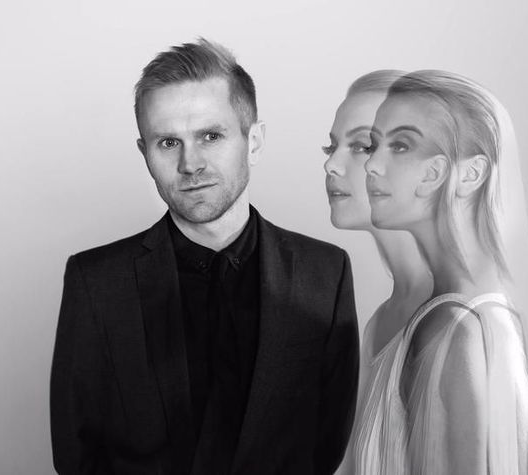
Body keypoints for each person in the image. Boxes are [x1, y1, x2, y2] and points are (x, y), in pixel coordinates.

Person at [49, 38, 360, 474]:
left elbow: (326, 445)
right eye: (167, 142)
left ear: (254, 141)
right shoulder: (95, 281)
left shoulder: (325, 273)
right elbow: (76, 454)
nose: (190, 164)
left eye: (211, 136)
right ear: (144, 153)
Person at [351, 70, 528, 474]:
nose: (371, 164)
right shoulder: (454, 318)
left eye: (401, 145)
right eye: (374, 144)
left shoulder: (461, 330)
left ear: (471, 174)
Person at [321, 71, 433, 474]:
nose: (331, 164)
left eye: (362, 146)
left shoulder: (456, 322)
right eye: (331, 146)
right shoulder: (381, 322)